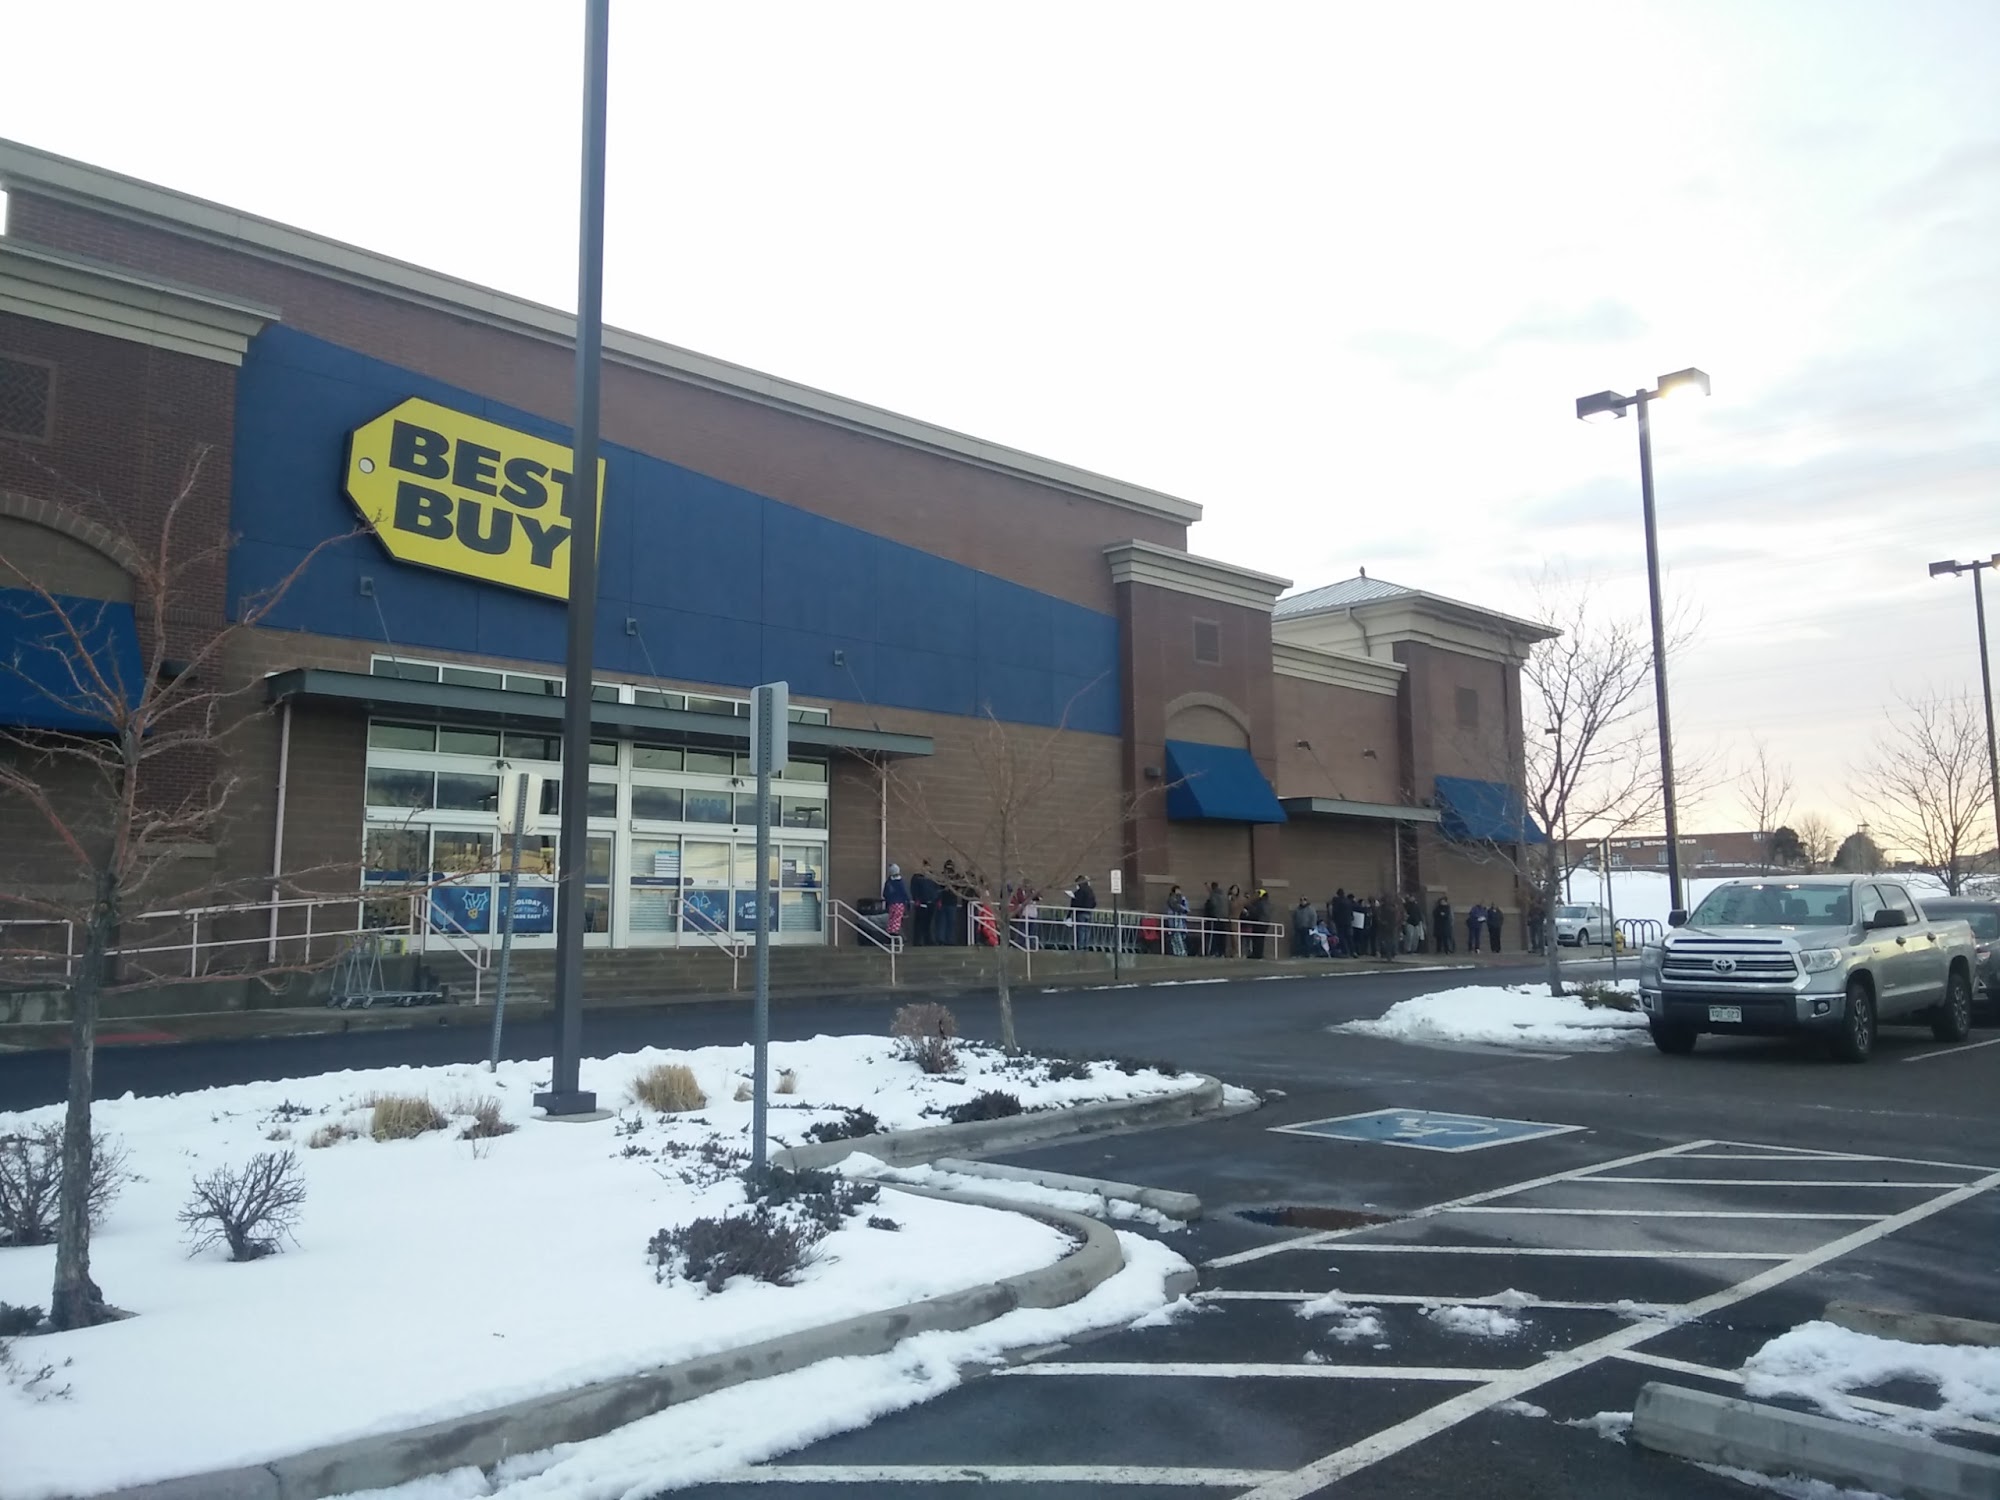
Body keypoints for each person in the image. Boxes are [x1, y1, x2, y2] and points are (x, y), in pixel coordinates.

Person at [908, 860, 940, 947]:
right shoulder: (917, 878)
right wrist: (916, 899)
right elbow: (914, 889)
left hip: (931, 902)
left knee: (928, 923)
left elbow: (937, 889)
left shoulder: (933, 878)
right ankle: (917, 940)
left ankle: (928, 939)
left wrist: (937, 899)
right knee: (919, 922)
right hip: (921, 903)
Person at [882, 863, 911, 942]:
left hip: (891, 904)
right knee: (897, 919)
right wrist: (908, 902)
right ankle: (894, 935)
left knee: (891, 919)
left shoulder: (888, 882)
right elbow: (904, 893)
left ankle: (888, 935)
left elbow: (885, 894)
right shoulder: (900, 882)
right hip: (899, 903)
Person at [1071, 873, 1098, 950]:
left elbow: (1077, 902)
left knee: (1081, 929)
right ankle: (1086, 945)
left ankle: (1081, 946)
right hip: (1089, 912)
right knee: (1087, 929)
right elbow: (1094, 902)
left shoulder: (1080, 891)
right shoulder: (1090, 891)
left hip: (1081, 912)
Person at [1246, 888, 1272, 959]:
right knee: (1261, 939)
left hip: (1259, 923)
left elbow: (1256, 913)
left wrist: (1248, 915)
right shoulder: (1268, 903)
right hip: (1266, 923)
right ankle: (1259, 953)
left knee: (1256, 939)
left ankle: (1256, 954)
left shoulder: (1260, 903)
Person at [1202, 881, 1227, 957]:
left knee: (1214, 936)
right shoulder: (1224, 896)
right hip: (1224, 918)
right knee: (1222, 936)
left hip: (1215, 918)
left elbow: (1212, 905)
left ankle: (1213, 952)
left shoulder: (1213, 895)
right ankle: (1222, 952)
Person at [1165, 885, 1190, 957]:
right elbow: (1176, 906)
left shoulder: (1183, 899)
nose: (1179, 892)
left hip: (1181, 922)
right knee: (1175, 936)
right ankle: (1179, 951)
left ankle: (1180, 951)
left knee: (1182, 936)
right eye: (1177, 890)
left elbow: (1187, 908)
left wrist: (1185, 909)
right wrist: (1184, 909)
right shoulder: (1171, 899)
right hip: (1174, 921)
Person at [1329, 889, 1353, 957]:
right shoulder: (1348, 901)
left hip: (1340, 922)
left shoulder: (1337, 901)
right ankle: (1352, 951)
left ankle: (1345, 952)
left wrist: (1334, 919)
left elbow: (1335, 912)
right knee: (1349, 937)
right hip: (1348, 921)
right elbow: (1351, 911)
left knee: (1342, 937)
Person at [1226, 884, 1247, 957]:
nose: (1234, 891)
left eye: (1236, 889)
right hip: (1229, 919)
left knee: (1234, 936)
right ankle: (1230, 951)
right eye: (1233, 889)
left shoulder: (1238, 900)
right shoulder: (1229, 898)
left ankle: (1235, 951)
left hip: (1235, 919)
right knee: (1229, 937)